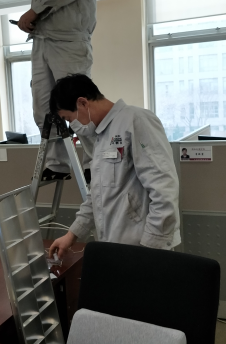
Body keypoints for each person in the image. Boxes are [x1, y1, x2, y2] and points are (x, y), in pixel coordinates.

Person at [48, 75, 181, 258]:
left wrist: (150, 249)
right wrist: (72, 235)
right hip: (116, 247)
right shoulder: (101, 137)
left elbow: (164, 190)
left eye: (69, 119)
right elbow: (97, 195)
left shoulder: (136, 120)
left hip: (143, 248)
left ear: (83, 103)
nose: (73, 126)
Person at [17, 0, 100, 181]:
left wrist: (34, 12)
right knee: (43, 107)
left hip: (69, 41)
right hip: (42, 40)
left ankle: (94, 163)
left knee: (77, 104)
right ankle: (57, 163)